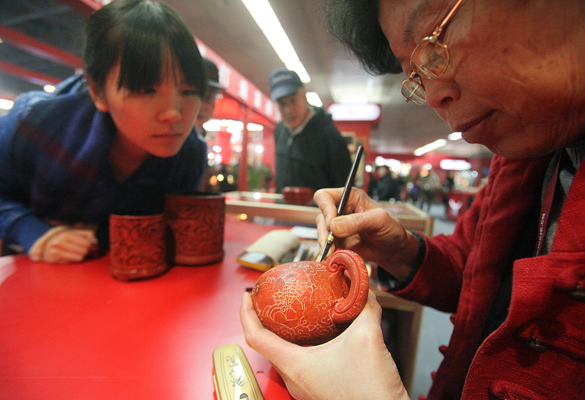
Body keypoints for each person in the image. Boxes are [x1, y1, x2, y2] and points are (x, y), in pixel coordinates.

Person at [241, 0, 585, 399]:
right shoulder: (522, 164)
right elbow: (475, 278)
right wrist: (401, 251)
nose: (436, 95)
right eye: (417, 78)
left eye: (435, 42)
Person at [0, 0, 208, 264]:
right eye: (145, 90)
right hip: (33, 274)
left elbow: (173, 227)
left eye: (188, 90)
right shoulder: (34, 123)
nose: (174, 113)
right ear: (97, 91)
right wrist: (35, 233)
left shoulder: (191, 153)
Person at [268, 68, 352, 193]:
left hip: (317, 211)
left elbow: (342, 187)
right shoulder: (279, 130)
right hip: (284, 210)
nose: (289, 110)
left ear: (304, 96)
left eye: (293, 100)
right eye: (282, 103)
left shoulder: (329, 134)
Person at [195, 57, 225, 191]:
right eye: (196, 94)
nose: (202, 105)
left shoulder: (199, 139)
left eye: (209, 97)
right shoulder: (168, 138)